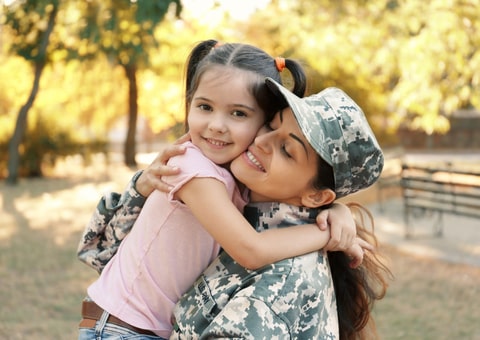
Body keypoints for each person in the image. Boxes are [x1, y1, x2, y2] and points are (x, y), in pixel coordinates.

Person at [77, 40, 361, 339]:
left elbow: (285, 204)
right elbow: (251, 251)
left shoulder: (235, 174)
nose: (216, 125)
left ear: (263, 124)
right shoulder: (192, 167)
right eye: (204, 107)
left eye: (238, 114)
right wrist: (328, 235)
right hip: (119, 329)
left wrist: (337, 212)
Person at [169, 78, 391, 339]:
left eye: (286, 149)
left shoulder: (278, 285)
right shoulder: (231, 205)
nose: (262, 141)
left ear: (317, 196)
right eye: (271, 124)